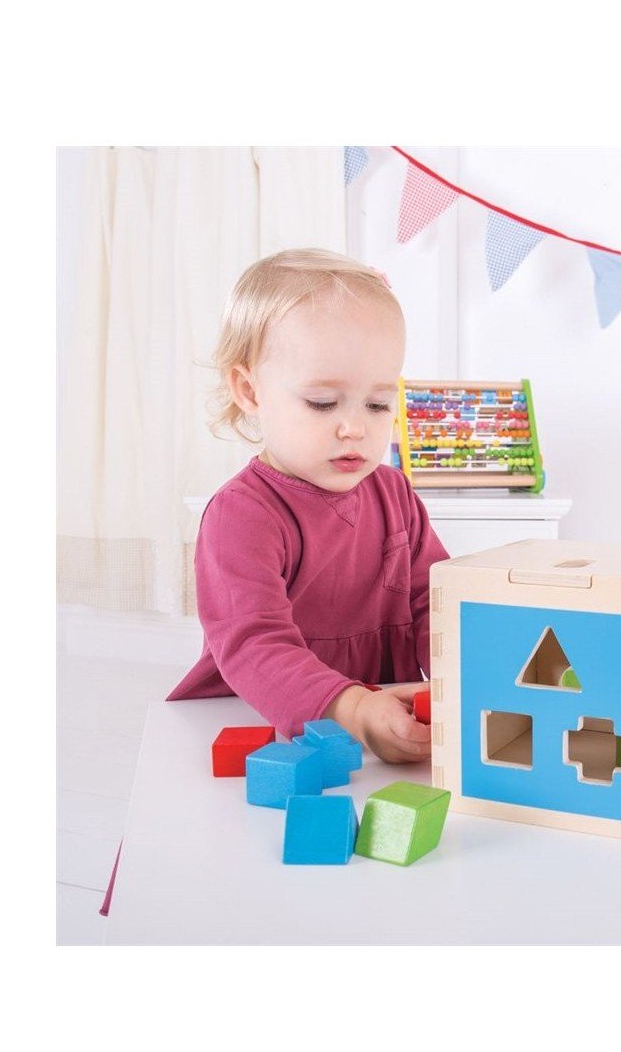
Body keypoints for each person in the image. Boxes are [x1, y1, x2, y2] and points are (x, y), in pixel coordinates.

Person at [167, 248, 448, 765]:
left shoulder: (395, 493)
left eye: (378, 404)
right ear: (250, 391)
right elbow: (255, 645)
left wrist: (465, 676)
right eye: (323, 403)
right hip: (258, 727)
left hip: (378, 721)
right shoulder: (242, 515)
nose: (355, 427)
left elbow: (436, 603)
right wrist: (352, 707)